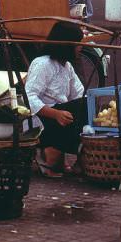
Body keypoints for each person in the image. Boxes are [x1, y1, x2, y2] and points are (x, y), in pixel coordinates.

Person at [24, 20, 86, 177]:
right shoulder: (43, 64)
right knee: (73, 111)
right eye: (78, 44)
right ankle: (48, 155)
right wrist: (55, 114)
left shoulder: (67, 66)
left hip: (60, 116)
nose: (81, 47)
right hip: (40, 119)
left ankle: (80, 158)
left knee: (84, 106)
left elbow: (78, 93)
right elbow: (29, 98)